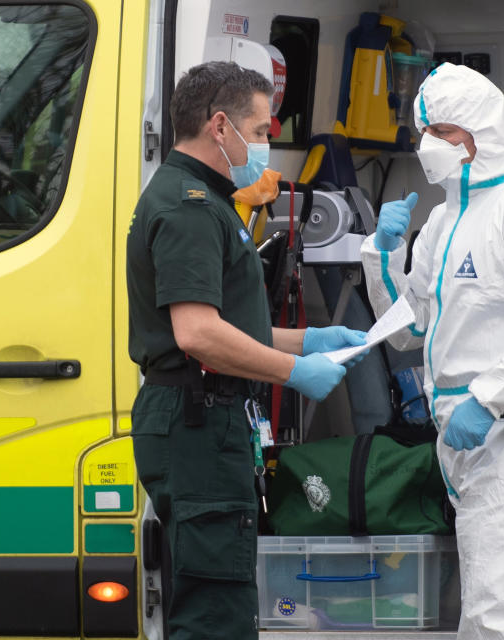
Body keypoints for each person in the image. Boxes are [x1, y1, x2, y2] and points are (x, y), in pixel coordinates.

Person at [126, 61, 365, 640]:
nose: (265, 146)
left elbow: (230, 324)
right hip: (198, 423)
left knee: (221, 600)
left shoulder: (205, 200)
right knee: (215, 615)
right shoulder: (190, 209)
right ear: (219, 127)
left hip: (203, 421)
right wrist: (294, 371)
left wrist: (309, 340)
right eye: (259, 131)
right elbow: (198, 335)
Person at [361, 62, 504, 640]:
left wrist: (486, 400)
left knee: (500, 617)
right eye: (426, 131)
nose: (430, 145)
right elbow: (408, 329)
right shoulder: (443, 219)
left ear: (482, 134)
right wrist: (383, 251)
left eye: (444, 131)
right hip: (475, 438)